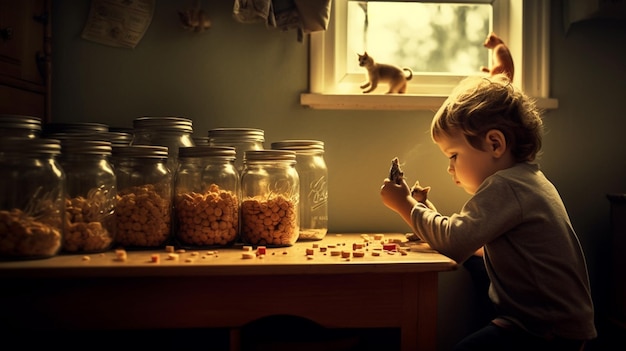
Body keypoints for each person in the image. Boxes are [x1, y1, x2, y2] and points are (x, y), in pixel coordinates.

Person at [380, 74, 597, 351]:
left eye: (453, 155)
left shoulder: (506, 185)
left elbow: (456, 242)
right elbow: (471, 238)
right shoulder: (526, 180)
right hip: (549, 323)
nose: (450, 168)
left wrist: (405, 206)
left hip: (543, 329)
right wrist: (425, 214)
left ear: (495, 144)